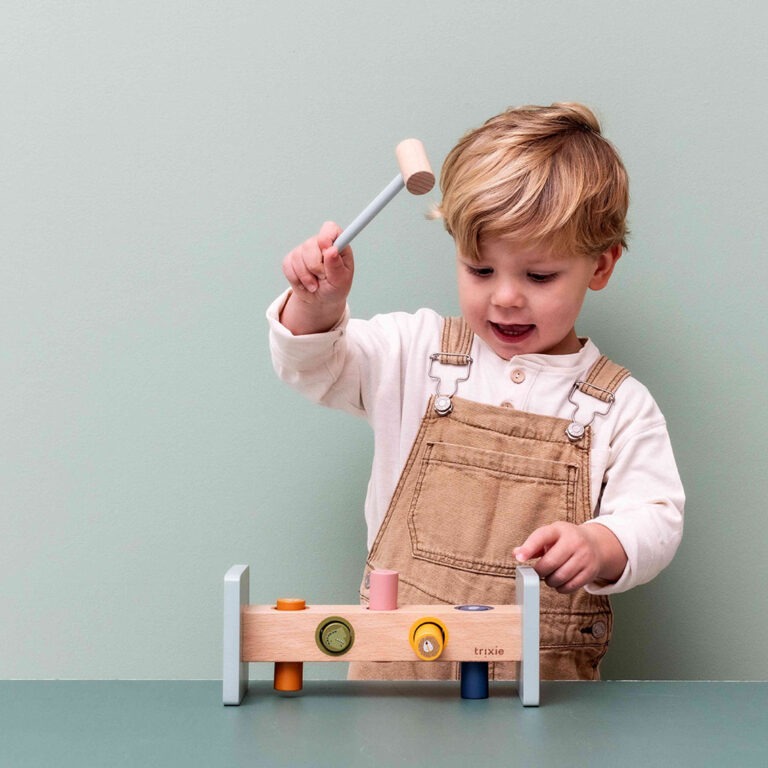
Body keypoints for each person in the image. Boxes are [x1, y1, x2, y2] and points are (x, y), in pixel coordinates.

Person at [266, 102, 684, 680]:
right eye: (480, 270)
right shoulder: (416, 353)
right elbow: (317, 367)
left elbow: (656, 517)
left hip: (544, 700)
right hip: (399, 693)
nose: (506, 297)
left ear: (601, 266)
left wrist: (601, 543)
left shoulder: (619, 406)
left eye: (538, 276)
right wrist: (317, 303)